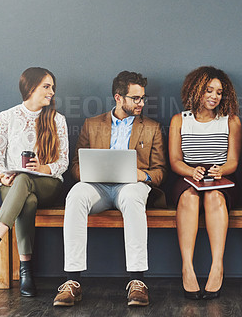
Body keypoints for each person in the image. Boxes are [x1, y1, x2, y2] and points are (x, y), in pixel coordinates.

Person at [53, 71, 167, 308]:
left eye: (143, 98)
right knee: (75, 195)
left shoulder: (152, 128)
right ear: (118, 97)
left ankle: (137, 280)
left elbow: (160, 171)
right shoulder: (92, 124)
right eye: (135, 98)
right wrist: (85, 173)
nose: (141, 103)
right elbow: (75, 165)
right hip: (97, 187)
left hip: (132, 187)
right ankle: (72, 281)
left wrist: (141, 175)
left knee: (134, 196)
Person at [0, 67, 69, 297]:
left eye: (52, 87)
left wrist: (42, 168)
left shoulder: (57, 120)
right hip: (13, 185)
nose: (52, 91)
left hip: (48, 184)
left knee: (26, 178)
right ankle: (26, 269)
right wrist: (2, 176)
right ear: (30, 88)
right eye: (46, 86)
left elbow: (64, 162)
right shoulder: (6, 117)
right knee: (26, 198)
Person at [169, 66, 241, 300]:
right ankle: (187, 268)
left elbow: (233, 161)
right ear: (196, 90)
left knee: (214, 197)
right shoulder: (179, 120)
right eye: (208, 90)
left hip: (221, 177)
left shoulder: (231, 121)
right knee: (189, 198)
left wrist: (221, 170)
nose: (214, 96)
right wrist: (192, 171)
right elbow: (175, 161)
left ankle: (216, 266)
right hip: (188, 175)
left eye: (219, 92)